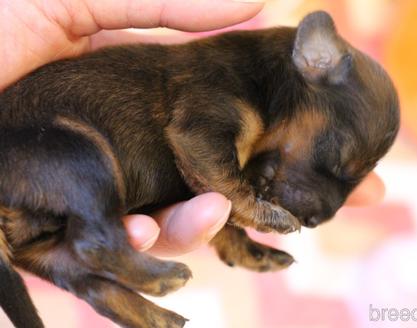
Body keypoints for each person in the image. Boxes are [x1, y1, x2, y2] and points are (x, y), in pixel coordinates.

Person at [0, 0, 386, 256]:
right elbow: (197, 143)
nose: (318, 214)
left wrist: (233, 226)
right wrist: (251, 208)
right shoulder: (226, 81)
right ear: (314, 60)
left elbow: (203, 175)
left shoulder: (251, 118)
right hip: (38, 166)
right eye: (333, 160)